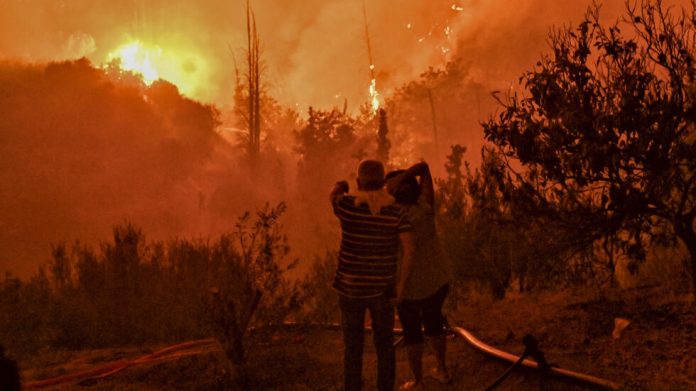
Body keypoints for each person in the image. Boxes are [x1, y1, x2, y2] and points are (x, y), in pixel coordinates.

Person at [331, 159, 414, 391]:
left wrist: (341, 185)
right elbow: (410, 248)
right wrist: (401, 286)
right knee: (385, 347)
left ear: (359, 182)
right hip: (383, 290)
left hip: (349, 288)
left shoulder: (347, 207)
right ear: (383, 183)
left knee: (353, 349)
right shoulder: (395, 212)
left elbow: (333, 196)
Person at [387, 161, 452, 390]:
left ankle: (418, 381)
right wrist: (405, 176)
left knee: (412, 333)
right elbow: (424, 166)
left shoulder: (391, 217)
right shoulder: (425, 207)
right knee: (434, 323)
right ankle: (442, 369)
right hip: (436, 279)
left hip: (409, 287)